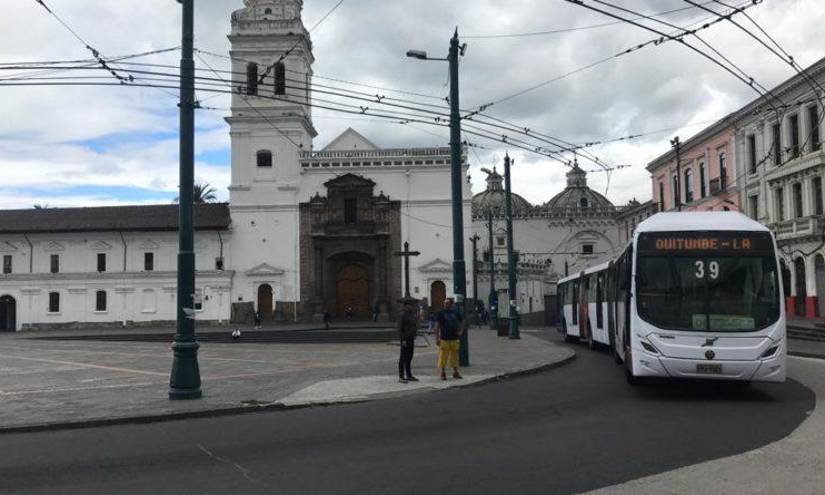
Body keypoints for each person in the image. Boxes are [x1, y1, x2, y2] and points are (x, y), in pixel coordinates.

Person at [435, 298, 464, 380]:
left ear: (451, 304)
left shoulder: (456, 312)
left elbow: (463, 321)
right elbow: (437, 325)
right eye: (444, 303)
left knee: (455, 356)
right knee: (443, 356)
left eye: (447, 303)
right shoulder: (440, 313)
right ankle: (442, 372)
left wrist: (460, 331)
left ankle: (455, 372)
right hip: (444, 338)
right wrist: (437, 337)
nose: (445, 304)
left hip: (454, 338)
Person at [397, 299, 419, 383]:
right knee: (403, 358)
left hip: (411, 338)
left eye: (412, 305)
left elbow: (414, 325)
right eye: (410, 305)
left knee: (409, 357)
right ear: (405, 306)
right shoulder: (402, 315)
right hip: (405, 339)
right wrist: (402, 340)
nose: (411, 307)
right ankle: (401, 376)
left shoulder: (411, 315)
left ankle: (409, 375)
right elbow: (400, 328)